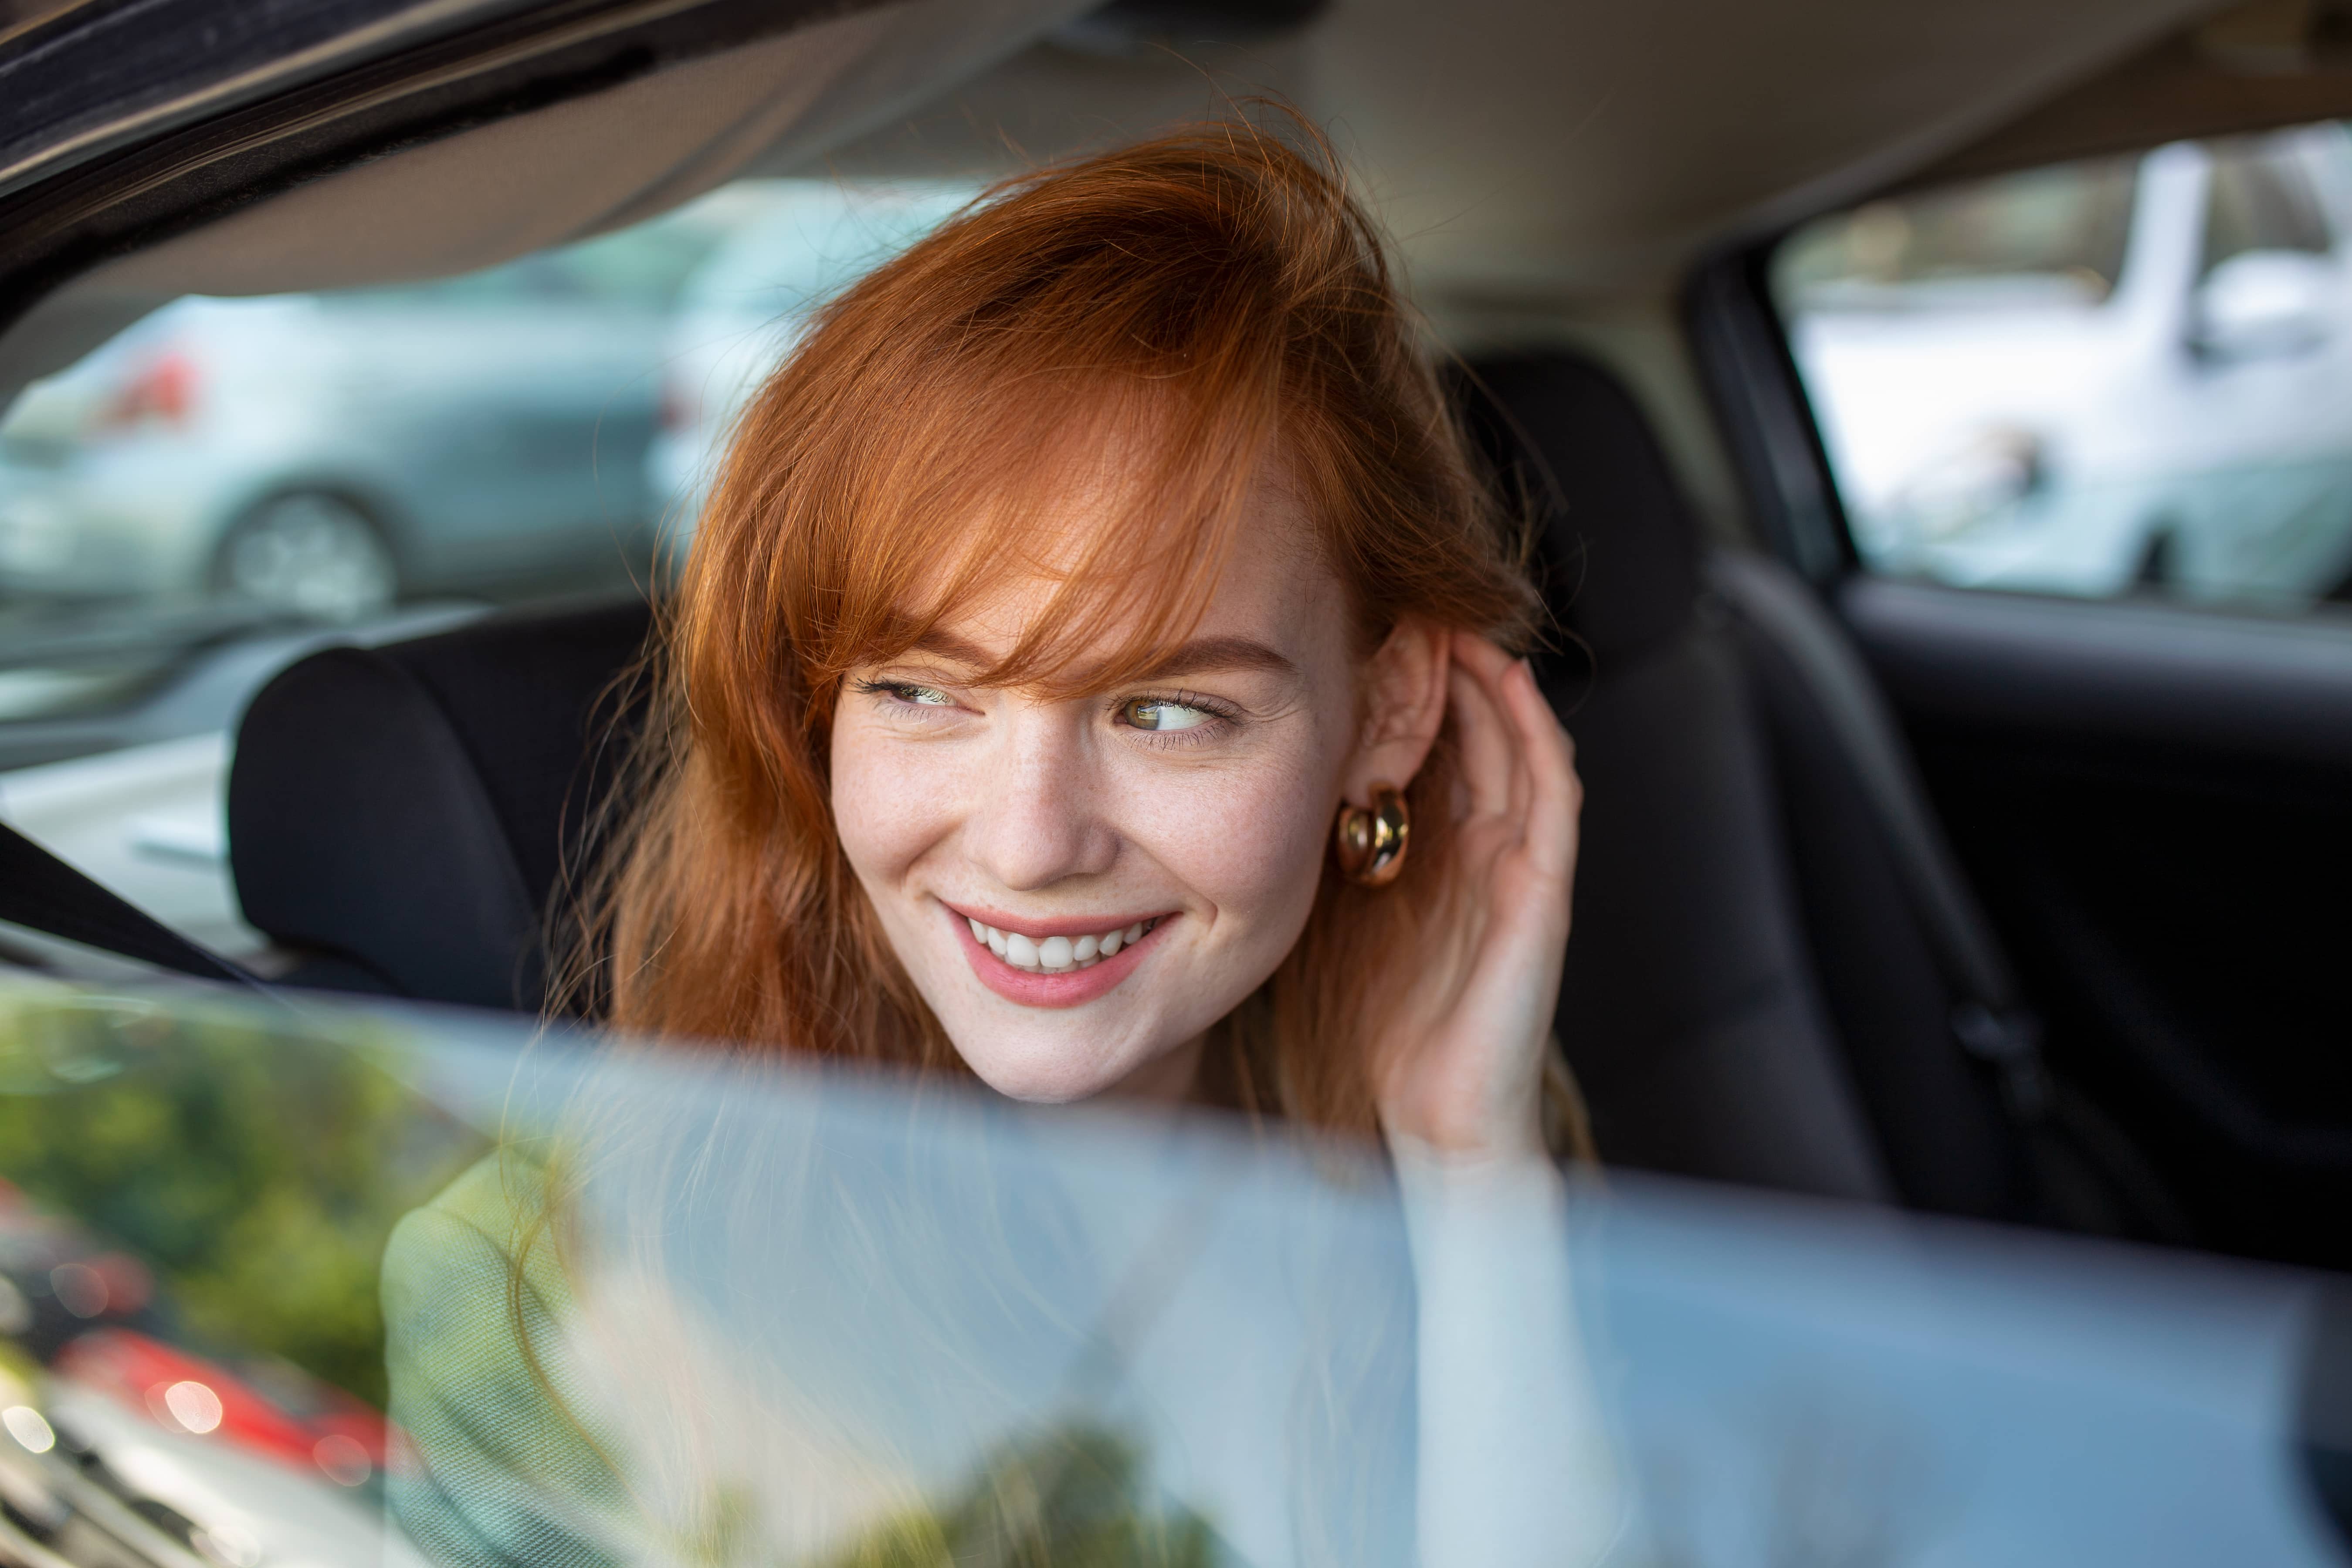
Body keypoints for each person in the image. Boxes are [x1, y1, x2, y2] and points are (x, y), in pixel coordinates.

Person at [387, 115, 1623, 1568]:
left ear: (1389, 708)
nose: (1032, 844)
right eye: (922, 693)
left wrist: (1477, 1179)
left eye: (1168, 711)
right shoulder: (546, 1280)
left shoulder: (1439, 1148)